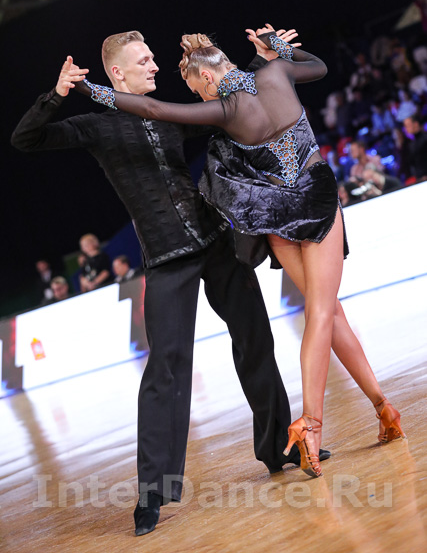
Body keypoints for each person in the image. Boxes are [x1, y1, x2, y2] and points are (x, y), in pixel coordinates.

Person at [11, 29, 331, 536]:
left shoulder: (170, 114)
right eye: (144, 61)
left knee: (255, 338)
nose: (154, 66)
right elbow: (25, 139)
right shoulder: (95, 127)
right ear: (118, 73)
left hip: (215, 242)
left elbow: (235, 105)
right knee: (166, 368)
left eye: (153, 59)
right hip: (166, 258)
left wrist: (261, 60)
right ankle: (152, 495)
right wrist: (57, 94)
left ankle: (277, 448)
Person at [77, 24, 406, 479]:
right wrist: (279, 48)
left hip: (279, 218)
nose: (199, 97)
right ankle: (320, 421)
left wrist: (91, 90)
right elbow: (318, 67)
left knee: (326, 313)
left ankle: (376, 410)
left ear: (206, 78)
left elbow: (152, 108)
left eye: (196, 90)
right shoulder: (275, 74)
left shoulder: (224, 109)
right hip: (317, 200)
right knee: (324, 312)